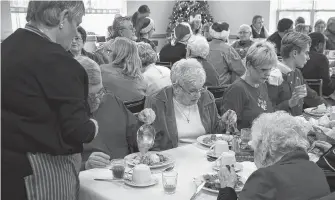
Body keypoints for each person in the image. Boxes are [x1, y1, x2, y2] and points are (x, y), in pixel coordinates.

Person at [1, 1, 99, 200]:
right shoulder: (60, 62)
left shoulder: (7, 47)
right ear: (63, 18)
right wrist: (94, 125)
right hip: (45, 172)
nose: (75, 34)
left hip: (8, 163)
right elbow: (77, 130)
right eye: (76, 23)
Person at [217, 111, 331, 200]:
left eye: (254, 147)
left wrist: (227, 189)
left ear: (264, 147)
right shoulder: (316, 170)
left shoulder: (265, 178)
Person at [74, 56, 155, 170]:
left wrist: (143, 123)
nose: (98, 99)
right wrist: (85, 165)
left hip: (126, 174)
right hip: (90, 180)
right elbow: (59, 171)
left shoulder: (111, 100)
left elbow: (136, 139)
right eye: (91, 96)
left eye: (101, 91)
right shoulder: (64, 115)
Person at [145, 58, 236, 150]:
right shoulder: (157, 102)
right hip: (174, 158)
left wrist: (224, 122)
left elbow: (214, 132)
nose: (198, 95)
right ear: (176, 88)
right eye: (193, 91)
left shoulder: (206, 97)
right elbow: (151, 142)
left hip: (206, 155)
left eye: (200, 89)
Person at [268, 32, 327, 116]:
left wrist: (328, 107)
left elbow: (311, 96)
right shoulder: (273, 76)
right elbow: (267, 112)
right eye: (306, 53)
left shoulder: (297, 72)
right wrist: (289, 103)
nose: (308, 57)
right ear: (294, 53)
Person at [222, 41, 276, 130]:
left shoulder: (262, 85)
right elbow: (228, 128)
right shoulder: (237, 89)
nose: (268, 74)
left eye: (270, 69)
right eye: (263, 70)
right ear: (249, 65)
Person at [101, 37, 147, 102]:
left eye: (109, 51)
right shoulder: (141, 80)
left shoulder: (102, 71)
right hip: (134, 111)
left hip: (112, 110)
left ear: (114, 53)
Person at [207, 22, 245, 86]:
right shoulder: (228, 49)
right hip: (221, 87)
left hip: (204, 86)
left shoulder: (204, 47)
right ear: (226, 34)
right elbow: (241, 70)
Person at [301, 32, 335, 96]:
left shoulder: (300, 55)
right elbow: (327, 90)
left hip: (302, 94)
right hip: (318, 95)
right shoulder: (322, 58)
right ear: (320, 45)